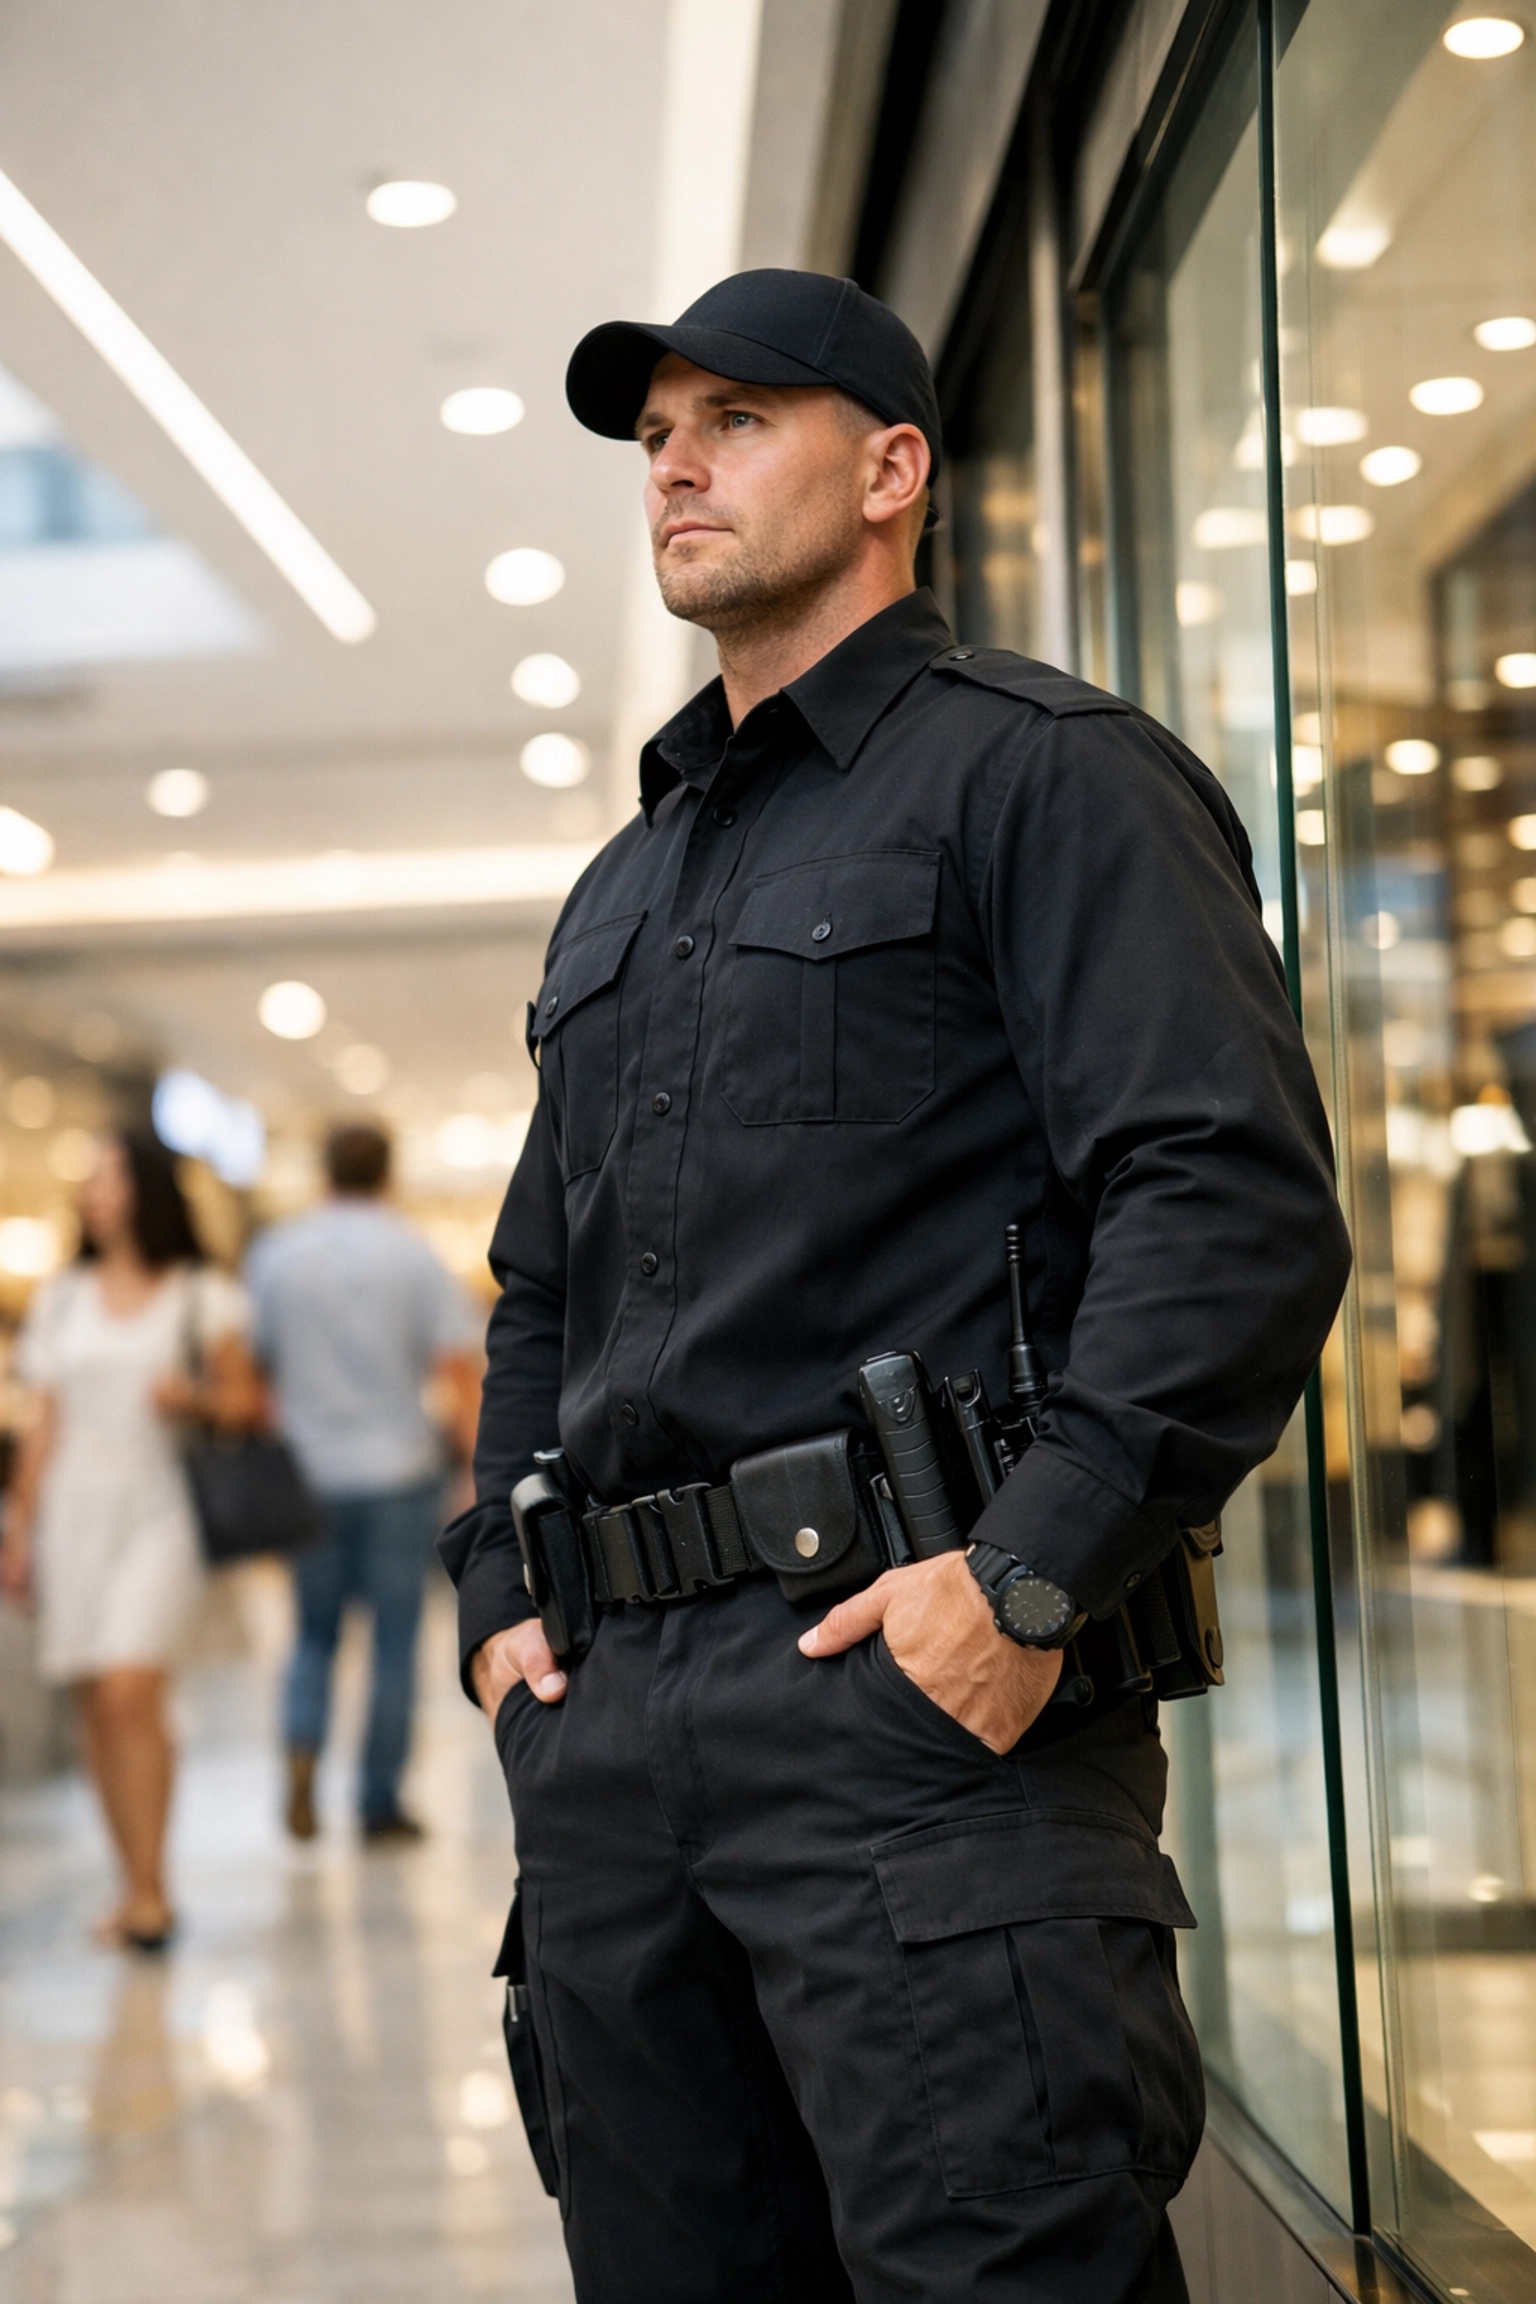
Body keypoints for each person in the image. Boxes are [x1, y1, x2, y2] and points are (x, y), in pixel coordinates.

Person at [441, 269, 1352, 2302]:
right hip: (617, 1755)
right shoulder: (630, 883)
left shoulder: (1046, 776)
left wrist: (1028, 1581)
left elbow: (1233, 1198)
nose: (675, 461)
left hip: (917, 1727)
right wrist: (501, 1606)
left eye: (735, 417)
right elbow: (537, 1290)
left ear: (892, 469)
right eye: (655, 431)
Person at [0, 1128, 260, 1951]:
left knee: (129, 1687)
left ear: (146, 1189)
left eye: (109, 1177)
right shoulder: (62, 1297)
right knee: (91, 1699)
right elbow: (44, 1423)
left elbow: (245, 1404)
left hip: (161, 1507)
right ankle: (133, 1885)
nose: (93, 1193)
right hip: (76, 1509)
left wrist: (192, 1398)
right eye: (90, 1181)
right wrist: (21, 1527)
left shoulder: (198, 1292)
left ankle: (153, 1889)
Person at [247, 1122, 481, 1843]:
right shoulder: (412, 1253)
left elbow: (254, 1369)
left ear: (324, 1171)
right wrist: (474, 1466)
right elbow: (456, 1367)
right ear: (388, 1172)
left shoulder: (275, 1254)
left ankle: (302, 1740)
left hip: (308, 1472)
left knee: (312, 1634)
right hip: (397, 1469)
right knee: (394, 1641)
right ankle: (379, 1802)